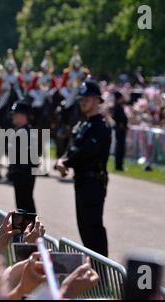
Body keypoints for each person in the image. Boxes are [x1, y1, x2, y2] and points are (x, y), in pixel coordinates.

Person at [55, 80, 111, 257]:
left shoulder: (101, 126)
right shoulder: (83, 125)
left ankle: (101, 275)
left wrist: (66, 162)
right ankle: (94, 274)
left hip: (93, 181)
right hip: (81, 180)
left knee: (93, 229)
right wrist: (63, 159)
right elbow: (72, 148)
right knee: (84, 228)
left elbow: (87, 151)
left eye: (87, 98)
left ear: (97, 100)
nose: (83, 102)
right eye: (81, 99)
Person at [7, 101, 37, 213]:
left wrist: (22, 173)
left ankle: (32, 227)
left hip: (25, 175)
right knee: (21, 205)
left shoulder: (29, 132)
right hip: (19, 174)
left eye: (15, 114)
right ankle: (25, 227)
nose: (13, 116)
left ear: (24, 115)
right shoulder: (18, 131)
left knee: (26, 203)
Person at [111, 91, 128, 171]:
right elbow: (118, 119)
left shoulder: (118, 106)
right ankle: (118, 165)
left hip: (121, 130)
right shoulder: (117, 107)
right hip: (120, 130)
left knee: (120, 148)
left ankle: (119, 165)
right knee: (119, 148)